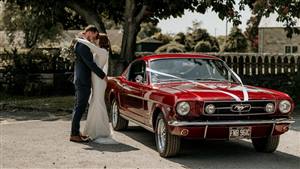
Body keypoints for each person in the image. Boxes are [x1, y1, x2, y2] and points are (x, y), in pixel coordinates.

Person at [70, 25, 107, 142]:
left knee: (78, 106)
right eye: (95, 35)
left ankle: (76, 132)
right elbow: (90, 64)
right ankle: (74, 134)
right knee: (80, 107)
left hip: (82, 80)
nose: (94, 38)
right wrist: (103, 75)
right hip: (82, 81)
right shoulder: (82, 45)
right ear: (91, 32)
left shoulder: (83, 44)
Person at [79, 33, 117, 144]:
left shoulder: (103, 51)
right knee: (95, 103)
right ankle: (92, 129)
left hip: (99, 81)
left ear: (101, 41)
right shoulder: (100, 50)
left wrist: (80, 39)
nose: (95, 40)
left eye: (97, 39)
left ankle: (100, 131)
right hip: (96, 80)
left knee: (98, 103)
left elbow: (90, 46)